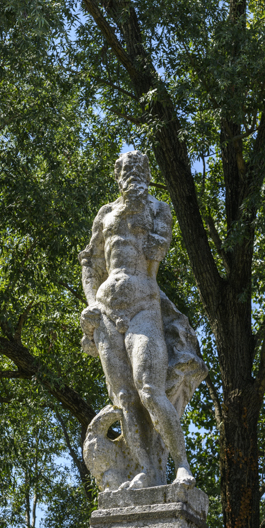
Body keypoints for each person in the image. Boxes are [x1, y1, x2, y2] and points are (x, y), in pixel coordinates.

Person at [79, 150, 195, 488]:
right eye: (126, 168)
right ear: (118, 175)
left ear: (146, 172)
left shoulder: (158, 209)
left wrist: (139, 213)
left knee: (148, 388)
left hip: (143, 306)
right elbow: (89, 260)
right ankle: (146, 469)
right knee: (125, 398)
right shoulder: (105, 213)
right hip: (105, 311)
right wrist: (90, 303)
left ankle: (181, 465)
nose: (133, 172)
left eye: (138, 167)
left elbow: (154, 256)